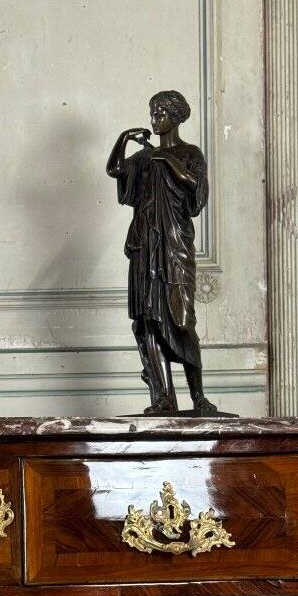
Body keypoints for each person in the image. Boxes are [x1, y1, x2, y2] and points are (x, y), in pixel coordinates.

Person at [106, 89, 218, 415]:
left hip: (175, 245)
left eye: (160, 114)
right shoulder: (143, 158)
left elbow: (197, 189)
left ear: (175, 116)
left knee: (182, 320)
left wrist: (167, 159)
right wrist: (125, 137)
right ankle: (164, 398)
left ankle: (198, 397)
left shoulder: (189, 153)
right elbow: (115, 170)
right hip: (145, 246)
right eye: (152, 114)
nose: (154, 120)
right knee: (149, 321)